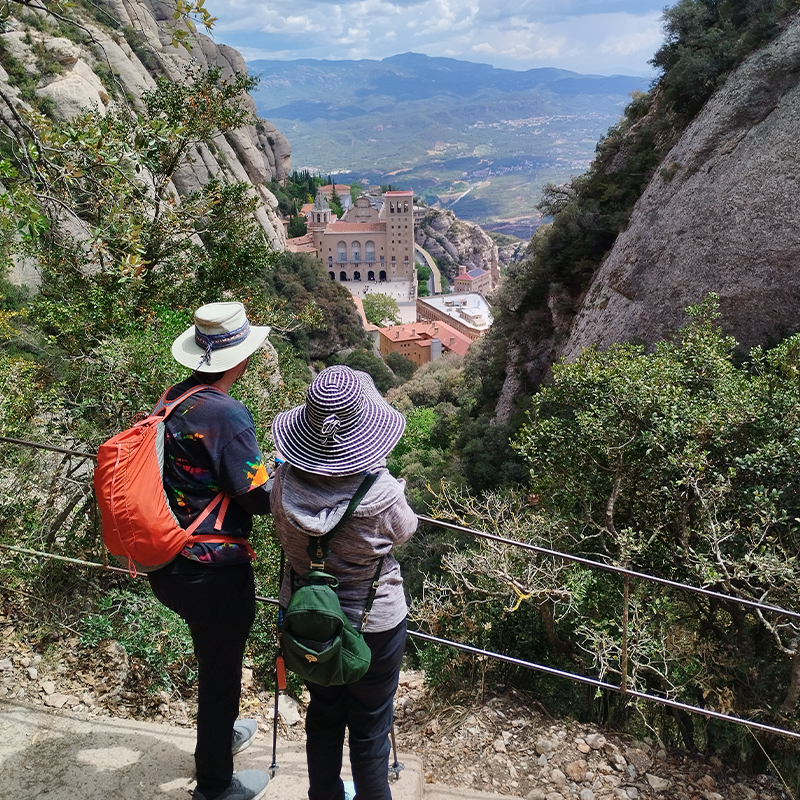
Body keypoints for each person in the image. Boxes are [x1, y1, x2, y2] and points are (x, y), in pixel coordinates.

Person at [270, 365, 418, 800]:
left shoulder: (281, 485)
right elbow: (404, 530)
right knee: (371, 729)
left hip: (309, 621)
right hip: (375, 624)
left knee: (324, 716)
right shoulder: (382, 492)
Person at [147, 301, 274, 800]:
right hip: (211, 568)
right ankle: (216, 786)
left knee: (214, 660)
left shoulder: (176, 398)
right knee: (221, 673)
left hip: (167, 558)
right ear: (239, 360)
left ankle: (220, 737)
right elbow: (258, 498)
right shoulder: (226, 413)